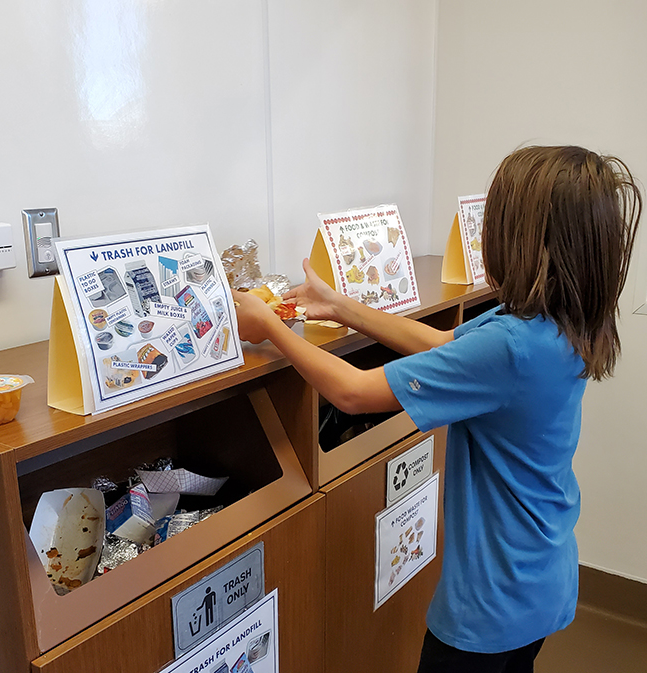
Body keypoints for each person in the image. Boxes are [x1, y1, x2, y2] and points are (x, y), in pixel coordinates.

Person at [232, 145, 642, 673]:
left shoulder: (511, 347)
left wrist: (268, 327)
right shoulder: (556, 323)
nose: (483, 235)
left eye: (494, 222)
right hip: (545, 574)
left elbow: (353, 393)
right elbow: (444, 342)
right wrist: (341, 308)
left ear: (524, 241)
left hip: (492, 602)